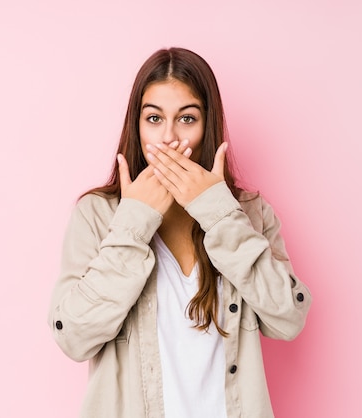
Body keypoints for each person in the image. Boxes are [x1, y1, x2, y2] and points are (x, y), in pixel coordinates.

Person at [47, 47, 311, 418]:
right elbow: (73, 337)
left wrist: (218, 213)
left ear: (209, 126)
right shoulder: (99, 214)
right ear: (136, 127)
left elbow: (288, 319)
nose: (168, 138)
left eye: (187, 119)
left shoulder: (248, 212)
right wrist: (134, 223)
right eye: (154, 118)